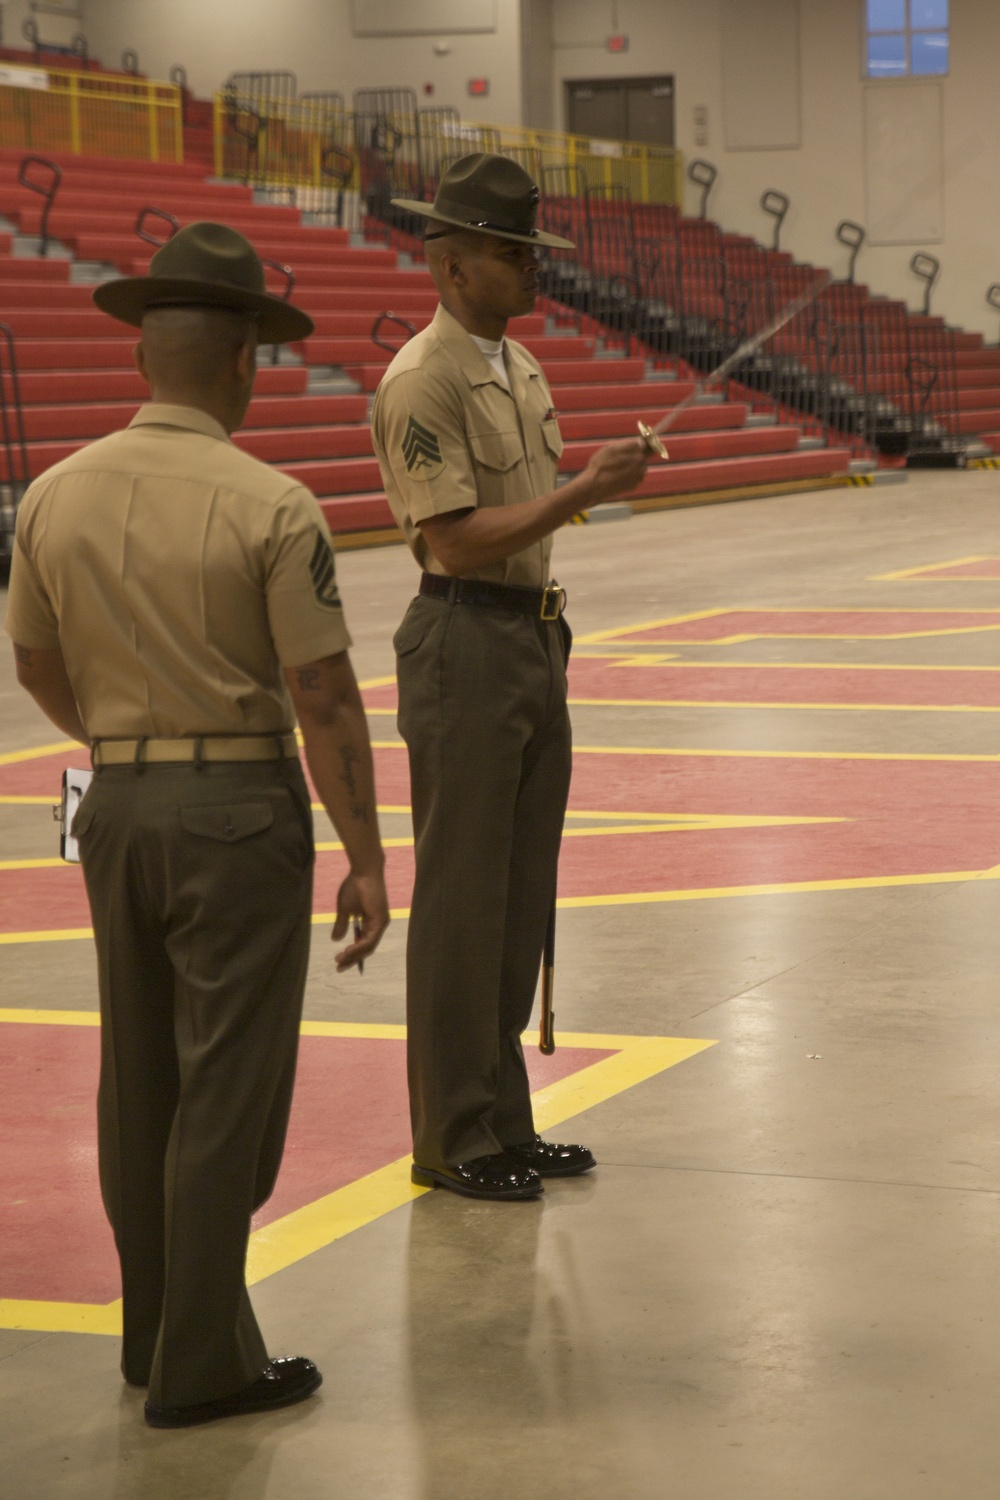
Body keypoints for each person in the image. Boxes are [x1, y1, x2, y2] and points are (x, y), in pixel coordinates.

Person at [5, 223, 390, 1427]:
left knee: (141, 1076)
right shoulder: (271, 503)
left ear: (141, 362)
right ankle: (204, 1365)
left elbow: (33, 663)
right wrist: (369, 855)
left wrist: (122, 745)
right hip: (237, 803)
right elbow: (321, 694)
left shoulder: (52, 493)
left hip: (114, 800)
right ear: (242, 364)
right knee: (228, 1082)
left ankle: (155, 1333)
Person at [370, 155, 649, 1202]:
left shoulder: (515, 366)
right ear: (453, 268)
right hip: (465, 641)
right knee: (460, 903)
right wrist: (582, 491)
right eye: (511, 252)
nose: (532, 269)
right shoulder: (423, 381)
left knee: (518, 893)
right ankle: (450, 1135)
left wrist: (576, 493)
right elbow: (450, 541)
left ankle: (500, 1117)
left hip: (532, 641)